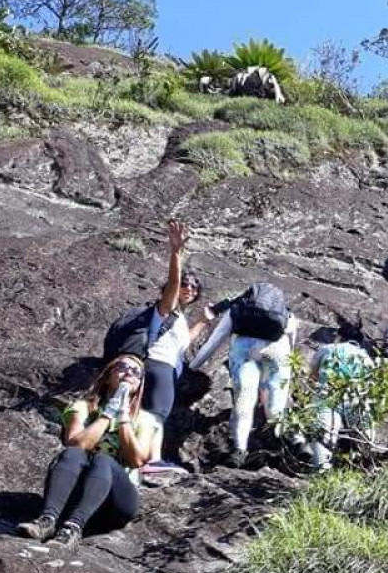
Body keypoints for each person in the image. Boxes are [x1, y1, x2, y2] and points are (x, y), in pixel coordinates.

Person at [17, 355, 158, 548]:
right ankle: (47, 520)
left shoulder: (145, 420)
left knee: (103, 460)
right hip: (77, 494)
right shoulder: (83, 407)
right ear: (108, 376)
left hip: (115, 503)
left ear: (140, 384)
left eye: (136, 372)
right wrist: (108, 413)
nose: (129, 374)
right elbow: (76, 444)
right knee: (72, 454)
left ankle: (73, 528)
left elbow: (137, 460)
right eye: (123, 367)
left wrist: (124, 417)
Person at [188, 283, 298, 467]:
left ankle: (239, 450)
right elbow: (291, 347)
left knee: (244, 398)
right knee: (276, 404)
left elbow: (214, 342)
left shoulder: (238, 310)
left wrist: (192, 367)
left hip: (244, 350)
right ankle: (285, 447)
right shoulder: (286, 314)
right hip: (278, 351)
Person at [139, 220, 212, 466]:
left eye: (194, 286)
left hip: (167, 366)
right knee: (156, 413)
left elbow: (183, 344)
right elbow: (171, 284)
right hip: (158, 364)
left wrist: (202, 321)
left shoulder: (179, 317)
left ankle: (148, 459)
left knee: (156, 413)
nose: (189, 288)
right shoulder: (166, 307)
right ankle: (151, 461)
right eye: (186, 284)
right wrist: (176, 254)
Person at [304, 317, 375, 471]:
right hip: (357, 399)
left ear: (340, 336)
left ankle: (321, 469)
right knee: (364, 434)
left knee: (323, 435)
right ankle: (362, 466)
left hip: (327, 395)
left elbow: (312, 377)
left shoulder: (328, 349)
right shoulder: (367, 359)